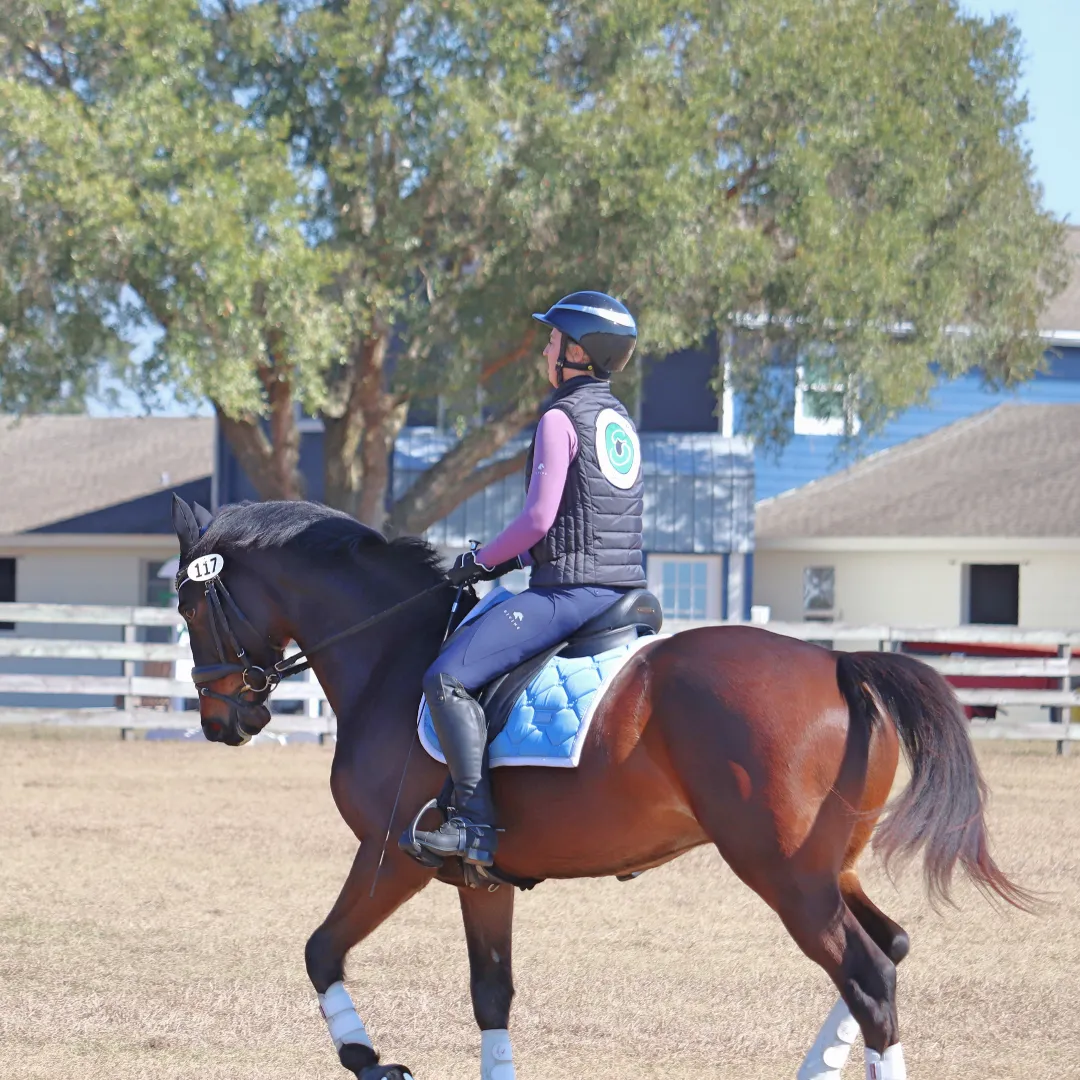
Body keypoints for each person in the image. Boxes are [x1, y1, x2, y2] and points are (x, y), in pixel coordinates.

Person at [412, 290, 646, 867]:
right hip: (623, 587)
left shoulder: (560, 419)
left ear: (576, 351)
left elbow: (539, 518)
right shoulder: (619, 423)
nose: (545, 350)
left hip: (571, 593)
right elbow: (580, 518)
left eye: (552, 340)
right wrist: (521, 557)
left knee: (446, 677)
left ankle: (472, 824)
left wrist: (484, 560)